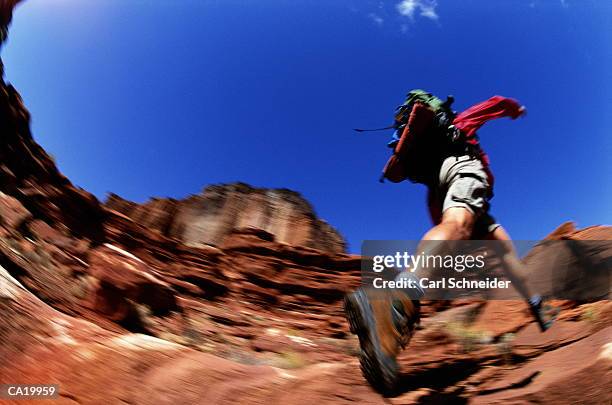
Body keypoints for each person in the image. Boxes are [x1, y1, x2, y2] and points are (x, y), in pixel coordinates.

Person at [345, 92, 554, 392]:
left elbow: (440, 220)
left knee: (504, 250)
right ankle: (394, 299)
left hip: (440, 191)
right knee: (458, 228)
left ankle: (537, 306)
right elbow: (494, 103)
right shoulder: (459, 122)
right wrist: (515, 109)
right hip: (463, 170)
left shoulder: (424, 157)